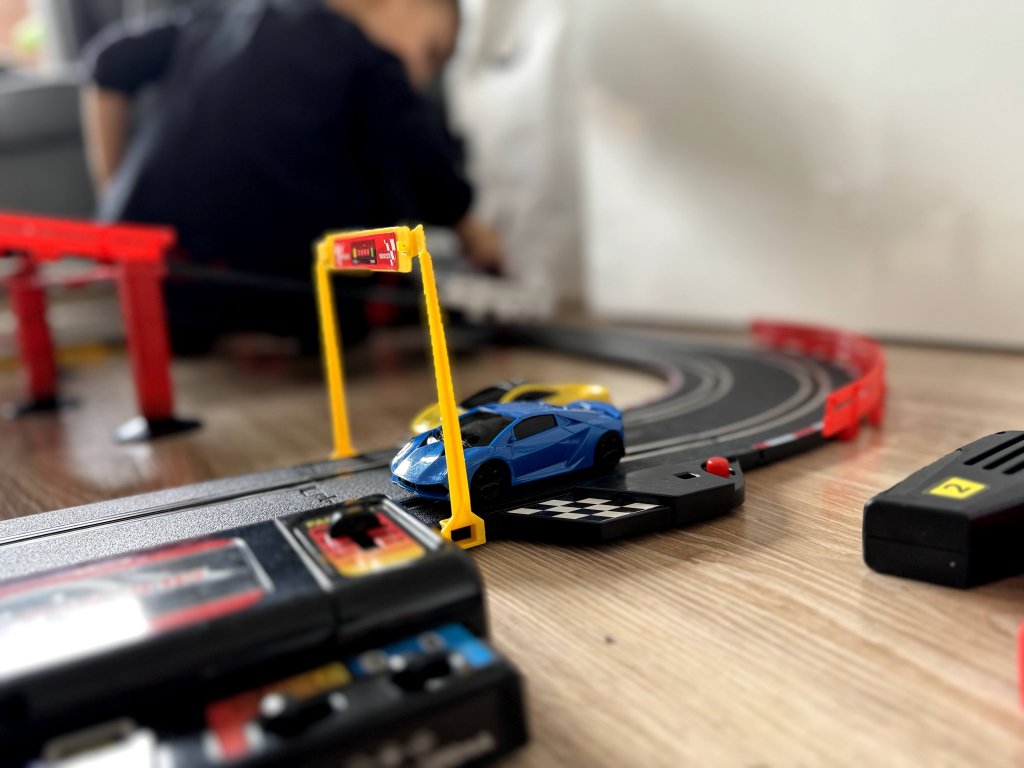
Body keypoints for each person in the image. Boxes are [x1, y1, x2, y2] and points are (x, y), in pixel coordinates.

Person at [81, 0, 503, 352]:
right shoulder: (368, 56)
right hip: (281, 292)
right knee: (364, 277)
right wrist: (472, 231)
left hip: (155, 285)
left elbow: (108, 62)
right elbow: (423, 163)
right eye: (432, 52)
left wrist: (113, 192)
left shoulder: (215, 21)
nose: (423, 78)